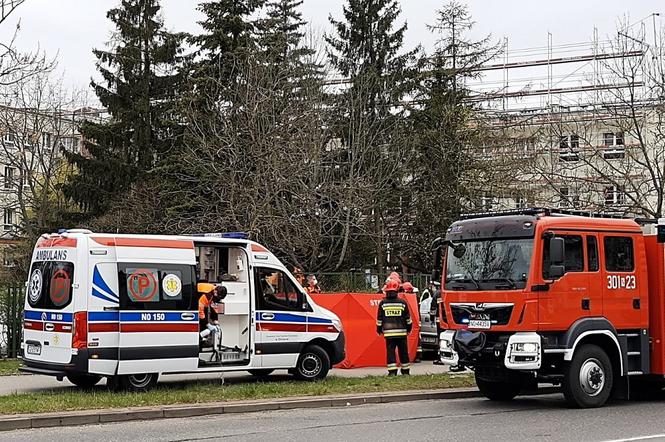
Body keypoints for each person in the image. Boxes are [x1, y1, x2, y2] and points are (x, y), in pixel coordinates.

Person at [376, 279, 413, 376]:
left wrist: (379, 330)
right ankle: (405, 371)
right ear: (397, 291)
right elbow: (408, 319)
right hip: (402, 333)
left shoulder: (383, 303)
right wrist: (409, 329)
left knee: (391, 352)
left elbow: (379, 320)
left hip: (389, 334)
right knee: (404, 352)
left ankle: (392, 372)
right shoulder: (402, 303)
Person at [198, 283, 227, 348]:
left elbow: (214, 307)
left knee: (204, 322)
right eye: (217, 296)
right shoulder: (207, 294)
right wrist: (207, 324)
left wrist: (216, 322)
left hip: (202, 304)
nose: (217, 297)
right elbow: (200, 309)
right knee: (202, 320)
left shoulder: (215, 294)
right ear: (215, 291)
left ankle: (201, 341)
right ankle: (199, 341)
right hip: (194, 300)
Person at [401, 281, 422, 363]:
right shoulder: (415, 297)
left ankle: (416, 355)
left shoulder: (404, 298)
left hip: (410, 320)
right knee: (417, 337)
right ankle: (417, 355)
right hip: (415, 320)